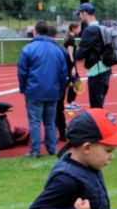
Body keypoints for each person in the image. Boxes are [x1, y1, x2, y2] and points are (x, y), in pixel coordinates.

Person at [18, 21, 68, 158]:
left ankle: (35, 150)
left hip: (34, 91)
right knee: (50, 121)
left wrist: (23, 88)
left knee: (34, 121)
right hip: (52, 91)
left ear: (36, 32)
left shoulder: (28, 48)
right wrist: (60, 90)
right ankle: (52, 149)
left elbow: (22, 71)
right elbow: (63, 73)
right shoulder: (57, 50)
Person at [75, 3, 114, 109]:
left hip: (96, 72)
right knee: (99, 105)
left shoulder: (90, 30)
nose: (79, 16)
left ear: (85, 13)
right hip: (106, 70)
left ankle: (99, 125)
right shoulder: (102, 27)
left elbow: (80, 54)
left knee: (96, 108)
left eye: (80, 13)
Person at [47, 26, 74, 143]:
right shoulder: (62, 50)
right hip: (60, 84)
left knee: (47, 110)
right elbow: (68, 67)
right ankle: (62, 133)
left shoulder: (47, 49)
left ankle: (52, 135)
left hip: (47, 83)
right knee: (59, 109)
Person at [63, 23, 81, 111]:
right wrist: (72, 66)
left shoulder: (71, 38)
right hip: (70, 65)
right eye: (78, 28)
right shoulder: (70, 39)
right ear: (73, 29)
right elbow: (70, 54)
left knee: (76, 82)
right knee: (75, 82)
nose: (79, 30)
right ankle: (69, 104)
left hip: (70, 64)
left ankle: (71, 102)